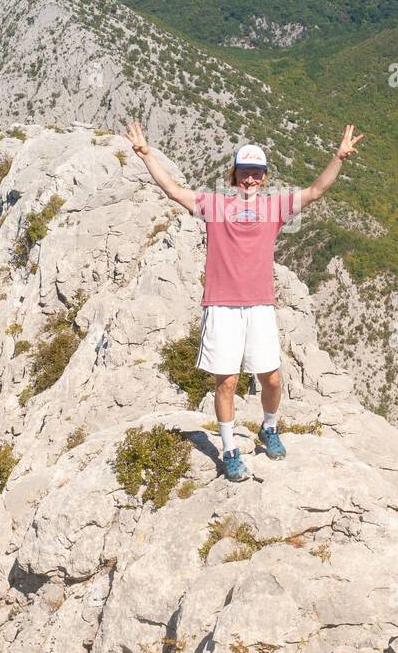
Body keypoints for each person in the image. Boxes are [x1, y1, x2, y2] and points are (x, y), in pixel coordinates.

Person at [124, 122, 365, 482]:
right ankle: (230, 449)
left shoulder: (274, 209)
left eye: (256, 174)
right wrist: (146, 154)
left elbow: (315, 191)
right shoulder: (215, 206)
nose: (250, 180)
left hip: (259, 306)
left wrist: (339, 158)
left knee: (271, 379)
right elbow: (173, 190)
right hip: (221, 306)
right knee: (228, 382)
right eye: (244, 174)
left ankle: (269, 428)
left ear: (265, 178)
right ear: (233, 175)